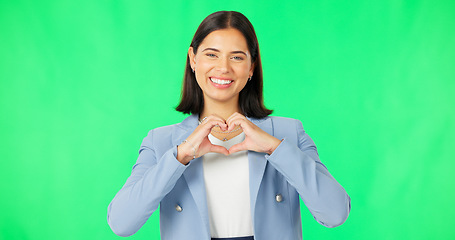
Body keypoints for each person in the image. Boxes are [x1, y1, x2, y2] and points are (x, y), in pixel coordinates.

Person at [107, 11, 350, 240]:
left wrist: (274, 148)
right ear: (193, 59)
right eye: (212, 54)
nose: (223, 68)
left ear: (251, 66)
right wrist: (181, 155)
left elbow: (335, 213)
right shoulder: (160, 142)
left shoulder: (288, 133)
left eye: (236, 57)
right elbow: (121, 223)